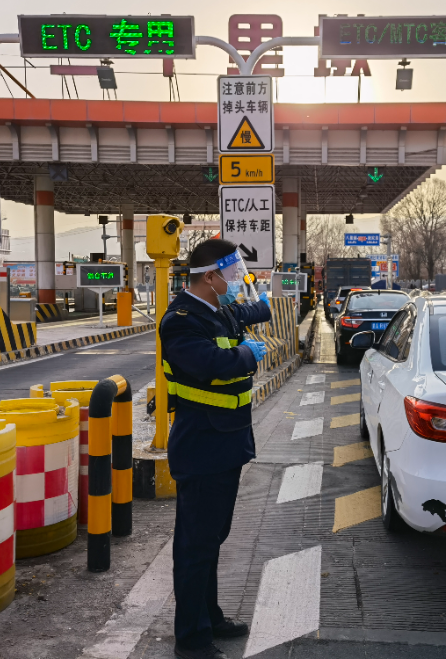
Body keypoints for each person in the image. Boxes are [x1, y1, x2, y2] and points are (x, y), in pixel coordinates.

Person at [159, 239, 272, 659]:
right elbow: (209, 363)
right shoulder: (182, 321)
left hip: (225, 442)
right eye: (230, 273)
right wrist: (246, 353)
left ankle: (210, 616)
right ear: (209, 277)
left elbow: (252, 311)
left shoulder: (217, 309)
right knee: (195, 544)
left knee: (211, 538)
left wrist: (257, 289)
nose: (234, 280)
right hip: (202, 446)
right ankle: (191, 638)